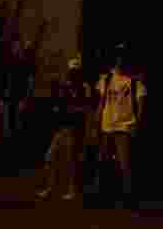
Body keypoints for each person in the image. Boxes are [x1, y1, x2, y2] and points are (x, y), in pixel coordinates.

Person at [94, 44, 146, 207]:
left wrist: (136, 123)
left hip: (124, 125)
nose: (120, 59)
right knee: (103, 160)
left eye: (123, 56)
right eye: (118, 55)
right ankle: (103, 194)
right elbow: (101, 103)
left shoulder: (134, 81)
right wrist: (96, 121)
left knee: (125, 163)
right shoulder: (107, 78)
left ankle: (127, 197)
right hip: (107, 124)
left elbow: (141, 102)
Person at [38, 57, 91, 201]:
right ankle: (50, 187)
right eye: (71, 70)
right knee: (50, 157)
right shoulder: (65, 87)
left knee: (71, 161)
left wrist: (70, 110)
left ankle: (72, 190)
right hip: (61, 128)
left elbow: (85, 109)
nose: (72, 73)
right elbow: (59, 105)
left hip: (73, 128)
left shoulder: (84, 87)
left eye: (75, 71)